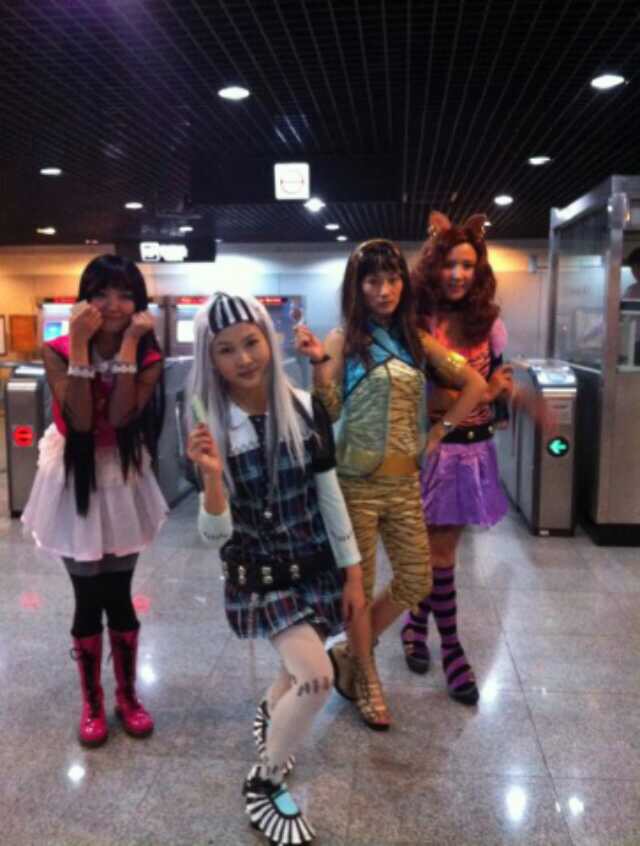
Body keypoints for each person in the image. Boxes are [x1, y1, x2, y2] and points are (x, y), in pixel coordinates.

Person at [186, 293, 364, 846]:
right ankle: (263, 781)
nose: (243, 358)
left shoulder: (305, 409)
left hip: (315, 567)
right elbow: (213, 537)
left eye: (251, 342)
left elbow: (330, 497)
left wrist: (354, 573)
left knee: (292, 675)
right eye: (226, 350)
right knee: (316, 676)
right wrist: (212, 477)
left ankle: (269, 713)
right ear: (210, 359)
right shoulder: (207, 426)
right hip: (260, 577)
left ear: (270, 339)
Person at [295, 239, 486, 730]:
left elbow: (477, 386)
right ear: (357, 287)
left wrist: (440, 432)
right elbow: (328, 410)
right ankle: (368, 679)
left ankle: (351, 653)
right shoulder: (343, 339)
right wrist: (317, 362)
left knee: (417, 578)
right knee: (357, 591)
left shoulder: (416, 342)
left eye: (393, 279)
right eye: (373, 281)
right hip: (355, 484)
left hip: (404, 484)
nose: (385, 290)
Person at [22, 254, 167, 746]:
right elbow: (80, 421)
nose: (113, 304)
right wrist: (81, 345)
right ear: (85, 300)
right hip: (74, 478)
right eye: (101, 293)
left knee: (119, 594)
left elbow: (122, 416)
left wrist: (126, 346)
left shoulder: (146, 354)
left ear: (139, 304)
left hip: (121, 477)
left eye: (125, 294)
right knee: (88, 597)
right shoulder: (58, 349)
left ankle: (128, 696)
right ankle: (93, 701)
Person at [399, 212, 513, 705]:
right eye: (449, 264)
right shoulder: (417, 323)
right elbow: (415, 394)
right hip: (433, 450)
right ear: (433, 266)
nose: (457, 274)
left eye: (467, 265)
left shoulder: (490, 324)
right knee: (438, 556)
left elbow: (497, 385)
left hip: (474, 451)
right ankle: (452, 649)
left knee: (441, 554)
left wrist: (490, 393)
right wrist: (477, 392)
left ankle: (414, 623)